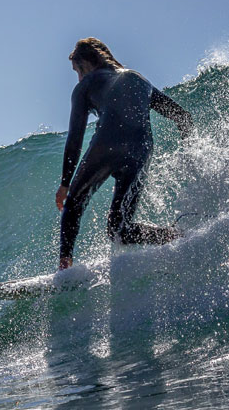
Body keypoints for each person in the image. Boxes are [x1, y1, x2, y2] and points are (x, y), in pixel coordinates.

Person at [55, 38, 193, 270]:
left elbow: (75, 139)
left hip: (107, 144)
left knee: (74, 204)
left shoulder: (85, 86)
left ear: (85, 64)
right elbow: (182, 116)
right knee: (120, 229)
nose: (78, 77)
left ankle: (65, 264)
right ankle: (176, 236)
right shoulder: (138, 78)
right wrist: (191, 152)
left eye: (77, 70)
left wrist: (65, 184)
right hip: (141, 150)